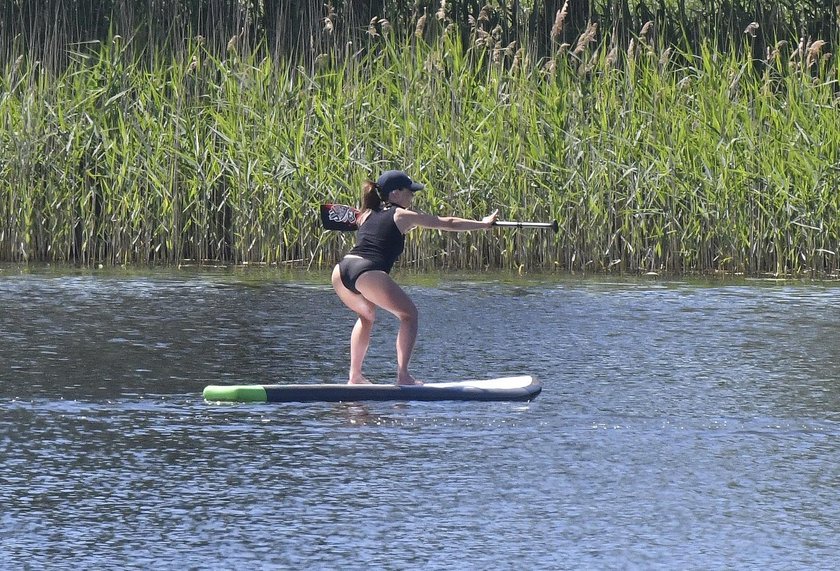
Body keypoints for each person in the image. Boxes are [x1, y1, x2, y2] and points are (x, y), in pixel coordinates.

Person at [331, 170, 498, 386]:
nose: (412, 196)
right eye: (410, 192)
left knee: (367, 317)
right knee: (409, 315)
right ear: (395, 194)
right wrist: (483, 224)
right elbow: (448, 223)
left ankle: (354, 377)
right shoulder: (400, 214)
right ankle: (403, 376)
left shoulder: (366, 215)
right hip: (367, 270)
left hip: (341, 270)